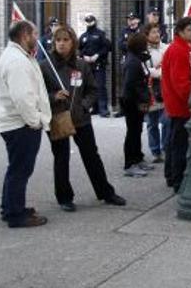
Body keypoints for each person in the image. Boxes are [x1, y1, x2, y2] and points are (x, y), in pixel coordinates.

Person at [39, 24, 126, 212]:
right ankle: (64, 197)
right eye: (58, 40)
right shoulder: (45, 67)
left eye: (65, 40)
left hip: (81, 118)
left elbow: (92, 90)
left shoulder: (81, 65)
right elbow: (38, 94)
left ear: (73, 42)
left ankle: (105, 192)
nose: (61, 44)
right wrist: (53, 96)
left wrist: (84, 105)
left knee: (91, 156)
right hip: (58, 118)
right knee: (61, 158)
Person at [0, 20, 51, 228]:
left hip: (17, 123)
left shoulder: (17, 56)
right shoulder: (17, 61)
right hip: (20, 125)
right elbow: (23, 97)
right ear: (25, 35)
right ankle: (15, 214)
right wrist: (35, 121)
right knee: (20, 170)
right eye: (35, 34)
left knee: (16, 168)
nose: (38, 38)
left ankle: (10, 207)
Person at [161, 17, 191, 191]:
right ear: (180, 31)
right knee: (178, 144)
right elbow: (181, 83)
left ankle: (171, 175)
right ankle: (176, 178)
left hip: (180, 104)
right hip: (180, 105)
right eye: (189, 29)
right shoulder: (178, 50)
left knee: (175, 142)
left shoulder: (185, 48)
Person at [120, 31, 153, 177]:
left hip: (136, 100)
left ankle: (138, 157)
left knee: (137, 130)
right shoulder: (132, 63)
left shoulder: (136, 58)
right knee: (132, 132)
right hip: (132, 101)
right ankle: (130, 163)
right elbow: (132, 84)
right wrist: (143, 98)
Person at [144, 23, 169, 163]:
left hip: (165, 88)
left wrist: (158, 73)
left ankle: (166, 147)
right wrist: (158, 73)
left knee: (166, 121)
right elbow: (146, 70)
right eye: (153, 32)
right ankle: (155, 151)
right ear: (147, 35)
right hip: (150, 90)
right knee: (152, 122)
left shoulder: (166, 48)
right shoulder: (144, 51)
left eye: (157, 31)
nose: (156, 34)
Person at [79, 14, 111, 117]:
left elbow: (107, 47)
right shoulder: (83, 36)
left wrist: (97, 55)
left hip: (98, 64)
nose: (89, 24)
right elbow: (79, 49)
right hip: (87, 66)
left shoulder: (101, 34)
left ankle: (103, 109)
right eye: (87, 22)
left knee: (100, 86)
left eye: (91, 21)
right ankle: (93, 107)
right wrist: (84, 56)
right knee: (89, 87)